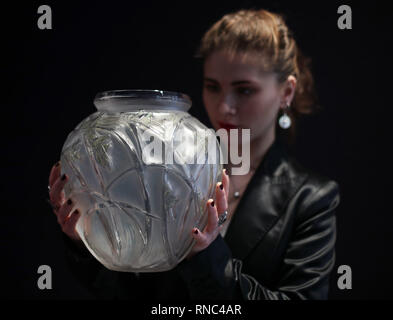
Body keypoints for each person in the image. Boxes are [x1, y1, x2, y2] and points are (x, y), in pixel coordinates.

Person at [48, 8, 340, 300]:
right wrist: (87, 237)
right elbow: (136, 294)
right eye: (212, 87)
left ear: (287, 92)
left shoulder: (312, 198)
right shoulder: (168, 169)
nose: (225, 106)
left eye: (244, 90)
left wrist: (207, 255)